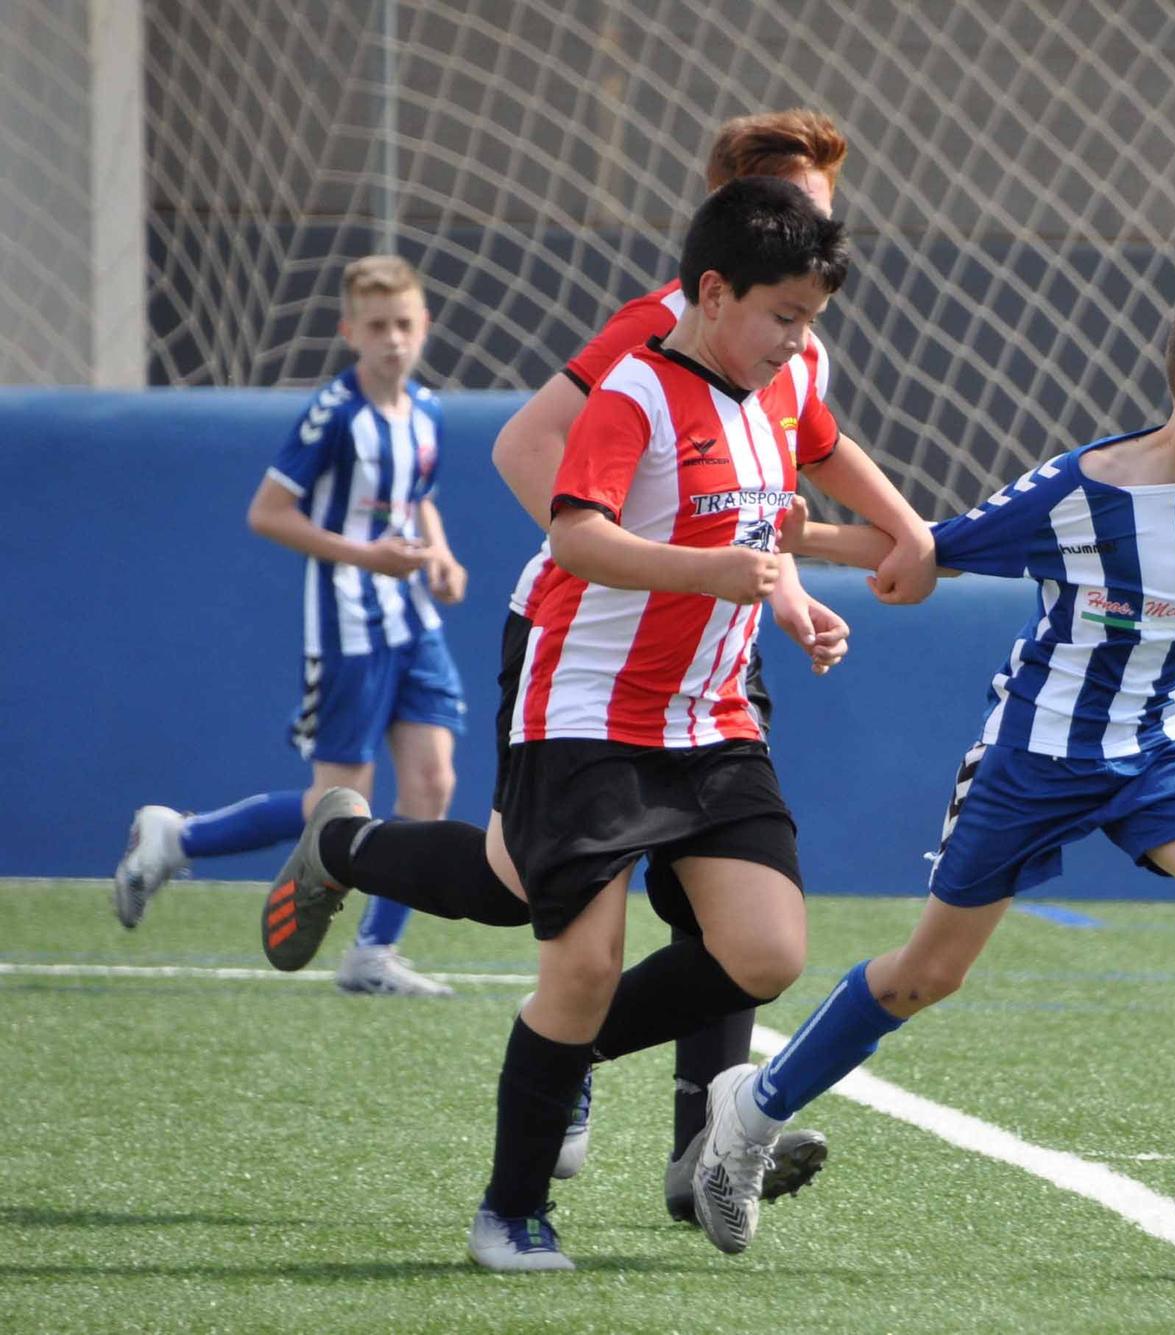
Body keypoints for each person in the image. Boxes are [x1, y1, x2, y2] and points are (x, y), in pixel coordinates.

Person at [257, 111, 934, 1217]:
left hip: (707, 656)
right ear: (731, 233)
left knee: (730, 919)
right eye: (797, 204)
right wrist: (655, 566)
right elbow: (537, 460)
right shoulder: (653, 343)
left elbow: (786, 480)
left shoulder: (784, 342)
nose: (819, 222)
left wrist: (867, 551)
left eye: (824, 207)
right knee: (527, 887)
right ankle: (359, 856)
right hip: (592, 649)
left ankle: (697, 1151)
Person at [690, 260, 1175, 1255]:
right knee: (925, 975)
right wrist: (801, 534)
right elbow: (925, 551)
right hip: (1039, 754)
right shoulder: (1077, 497)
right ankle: (749, 1116)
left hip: (1163, 743)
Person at [114, 254, 468, 998]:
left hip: (413, 622)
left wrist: (438, 554)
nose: (394, 340)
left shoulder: (428, 411)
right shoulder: (333, 413)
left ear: (425, 325)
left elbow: (418, 500)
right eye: (378, 327)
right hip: (347, 625)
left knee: (432, 785)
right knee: (336, 804)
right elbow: (267, 511)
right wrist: (366, 555)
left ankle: (373, 953)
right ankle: (178, 837)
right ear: (350, 332)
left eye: (405, 324)